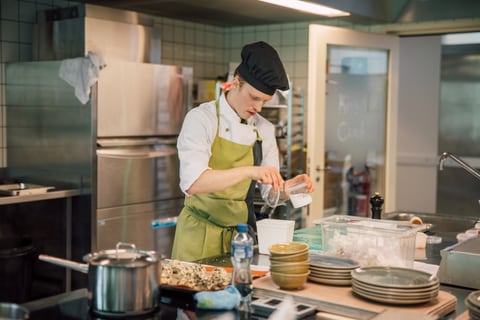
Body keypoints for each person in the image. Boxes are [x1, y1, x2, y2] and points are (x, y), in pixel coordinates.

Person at [171, 41, 313, 262]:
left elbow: (269, 195)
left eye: (264, 101)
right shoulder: (202, 119)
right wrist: (249, 171)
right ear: (235, 83)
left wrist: (289, 188)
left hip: (240, 239)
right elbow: (194, 183)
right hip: (198, 235)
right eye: (254, 97)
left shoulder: (264, 129)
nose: (258, 107)